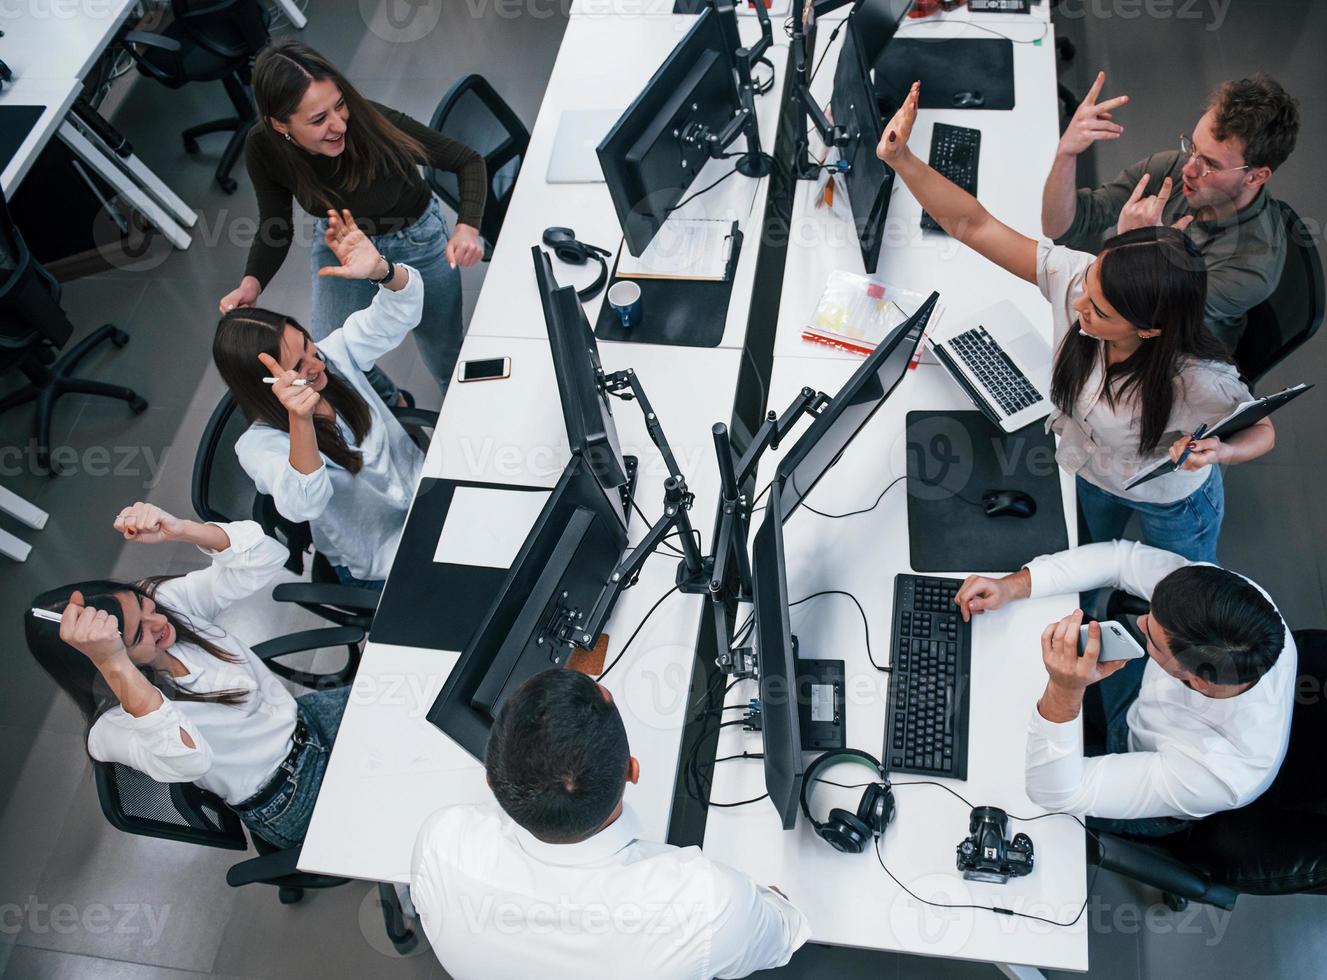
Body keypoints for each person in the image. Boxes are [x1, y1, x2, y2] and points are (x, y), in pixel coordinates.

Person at [878, 82, 1276, 564]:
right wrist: (903, 161)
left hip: (1171, 500)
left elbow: (1262, 429)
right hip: (1092, 472)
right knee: (1091, 557)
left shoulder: (1196, 377)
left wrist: (1223, 453)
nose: (1079, 304)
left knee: (1180, 589)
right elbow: (976, 225)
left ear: (1149, 329)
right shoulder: (1076, 281)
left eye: (1101, 310)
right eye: (1091, 282)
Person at [411, 668, 810, 979]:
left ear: (491, 782)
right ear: (632, 771)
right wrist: (760, 902)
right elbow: (784, 934)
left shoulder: (443, 845)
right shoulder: (709, 904)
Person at [26, 503, 349, 849]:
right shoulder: (110, 728)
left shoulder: (165, 605)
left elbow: (269, 557)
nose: (160, 623)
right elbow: (189, 760)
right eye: (139, 635)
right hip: (287, 794)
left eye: (148, 608)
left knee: (412, 705)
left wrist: (181, 529)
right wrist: (114, 663)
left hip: (307, 722)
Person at [954, 540, 1296, 837]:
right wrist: (1014, 586)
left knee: (1012, 796)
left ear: (1199, 680)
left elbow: (1057, 795)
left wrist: (1064, 690)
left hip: (1153, 773)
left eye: (1153, 639)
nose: (1141, 621)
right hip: (1137, 704)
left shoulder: (1219, 774)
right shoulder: (1230, 598)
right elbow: (1122, 560)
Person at [219, 39, 487, 403]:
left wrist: (467, 226)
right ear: (280, 125)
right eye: (318, 120)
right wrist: (252, 283)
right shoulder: (263, 147)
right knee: (329, 359)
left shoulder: (370, 121)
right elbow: (275, 226)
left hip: (415, 240)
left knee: (446, 360)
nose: (338, 124)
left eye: (339, 105)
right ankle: (396, 406)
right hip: (339, 241)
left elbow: (467, 160)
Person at [214, 208, 424, 591]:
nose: (317, 363)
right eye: (300, 364)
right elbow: (302, 505)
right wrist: (300, 419)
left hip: (426, 492)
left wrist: (382, 271)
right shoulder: (257, 447)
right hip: (385, 558)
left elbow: (401, 312)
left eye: (309, 346)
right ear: (266, 383)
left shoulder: (333, 356)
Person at [1040, 72, 1301, 347]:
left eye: (1210, 164)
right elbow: (1061, 227)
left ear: (1255, 177)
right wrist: (1066, 153)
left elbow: (1139, 320)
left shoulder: (1250, 267)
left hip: (1174, 354)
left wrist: (1136, 245)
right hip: (1121, 313)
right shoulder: (1174, 170)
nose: (1189, 169)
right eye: (1193, 148)